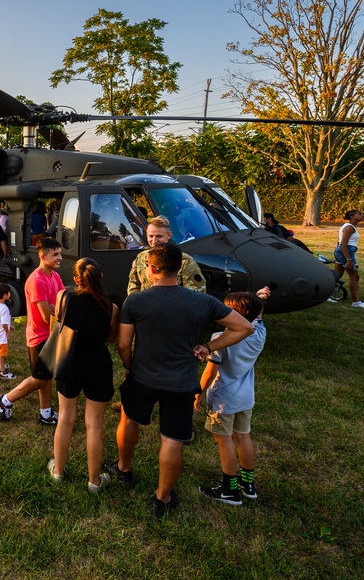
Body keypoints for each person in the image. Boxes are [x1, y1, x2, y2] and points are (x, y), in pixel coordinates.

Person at [110, 243, 253, 518]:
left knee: (128, 419)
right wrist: (209, 347)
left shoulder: (135, 301)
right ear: (181, 268)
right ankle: (162, 498)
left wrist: (129, 365)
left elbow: (123, 345)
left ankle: (124, 469)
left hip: (142, 377)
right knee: (172, 440)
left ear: (151, 269)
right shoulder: (203, 302)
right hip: (182, 382)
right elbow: (244, 327)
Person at [45, 258, 120, 493]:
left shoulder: (63, 297)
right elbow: (111, 338)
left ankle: (58, 471)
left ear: (76, 279)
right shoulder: (112, 308)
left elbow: (57, 326)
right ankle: (94, 481)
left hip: (69, 363)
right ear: (100, 276)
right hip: (98, 364)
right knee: (94, 424)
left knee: (66, 417)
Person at [195, 291, 268, 506]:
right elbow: (258, 314)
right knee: (243, 437)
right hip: (245, 398)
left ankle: (229, 490)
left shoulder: (219, 340)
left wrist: (197, 392)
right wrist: (259, 299)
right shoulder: (259, 331)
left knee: (224, 441)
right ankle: (248, 485)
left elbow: (209, 372)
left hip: (223, 400)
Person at [0, 237, 63, 426]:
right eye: (55, 254)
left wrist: (55, 308)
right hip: (39, 337)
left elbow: (62, 303)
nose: (60, 258)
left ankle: (46, 413)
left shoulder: (55, 276)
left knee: (46, 376)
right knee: (39, 379)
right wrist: (54, 309)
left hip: (52, 335)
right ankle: (5, 400)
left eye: (60, 253)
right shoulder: (36, 281)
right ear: (42, 256)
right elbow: (47, 317)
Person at [127, 216, 206, 295]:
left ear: (169, 235)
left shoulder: (185, 261)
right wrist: (138, 304)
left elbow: (196, 294)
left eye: (159, 236)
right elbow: (133, 286)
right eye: (151, 236)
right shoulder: (141, 258)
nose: (154, 241)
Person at [331, 209, 364, 309]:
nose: (362, 215)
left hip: (342, 252)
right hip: (346, 252)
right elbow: (343, 244)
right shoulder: (350, 227)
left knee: (337, 274)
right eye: (359, 214)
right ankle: (356, 302)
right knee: (354, 276)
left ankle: (326, 294)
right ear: (351, 216)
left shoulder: (350, 226)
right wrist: (348, 259)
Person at [0, 282, 16, 379]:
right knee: (1, 354)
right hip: (1, 335)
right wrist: (8, 332)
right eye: (9, 293)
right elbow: (4, 323)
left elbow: (0, 320)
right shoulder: (5, 309)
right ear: (5, 295)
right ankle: (3, 372)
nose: (10, 294)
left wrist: (9, 326)